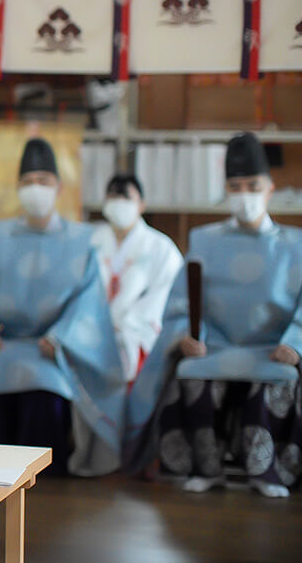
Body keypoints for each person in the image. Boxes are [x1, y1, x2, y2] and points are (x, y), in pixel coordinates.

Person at [0, 138, 126, 476]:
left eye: (43, 181)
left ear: (58, 187)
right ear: (17, 188)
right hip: (0, 344)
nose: (35, 190)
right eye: (28, 183)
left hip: (49, 350)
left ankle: (41, 472)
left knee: (42, 387)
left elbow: (88, 304)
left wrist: (61, 337)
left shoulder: (80, 241)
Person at [125, 132, 302, 498]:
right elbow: (183, 302)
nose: (244, 194)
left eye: (252, 185)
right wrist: (191, 335)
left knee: (275, 382)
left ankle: (268, 473)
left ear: (270, 188)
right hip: (215, 348)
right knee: (193, 377)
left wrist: (295, 343)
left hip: (272, 348)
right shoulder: (204, 240)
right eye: (235, 186)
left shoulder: (296, 244)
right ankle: (204, 467)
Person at [90, 174, 184, 385]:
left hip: (137, 337)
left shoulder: (162, 248)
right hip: (92, 338)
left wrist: (125, 325)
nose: (119, 204)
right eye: (113, 197)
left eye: (126, 198)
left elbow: (164, 296)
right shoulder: (91, 242)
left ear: (141, 205)